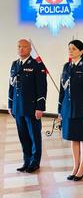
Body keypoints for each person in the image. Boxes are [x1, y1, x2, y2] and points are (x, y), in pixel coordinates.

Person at [58, 40, 83, 181]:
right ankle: (75, 166)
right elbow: (62, 91)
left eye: (73, 49)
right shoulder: (66, 67)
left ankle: (82, 168)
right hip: (68, 109)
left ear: (81, 51)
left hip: (82, 109)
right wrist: (60, 110)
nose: (70, 51)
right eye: (69, 48)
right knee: (73, 138)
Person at [8, 39, 47, 173]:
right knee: (23, 136)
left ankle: (35, 162)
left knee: (34, 136)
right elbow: (11, 86)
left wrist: (40, 107)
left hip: (31, 108)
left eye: (24, 47)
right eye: (19, 46)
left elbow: (42, 88)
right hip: (18, 107)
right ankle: (26, 160)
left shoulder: (37, 65)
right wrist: (10, 104)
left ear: (30, 49)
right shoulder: (15, 64)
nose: (21, 49)